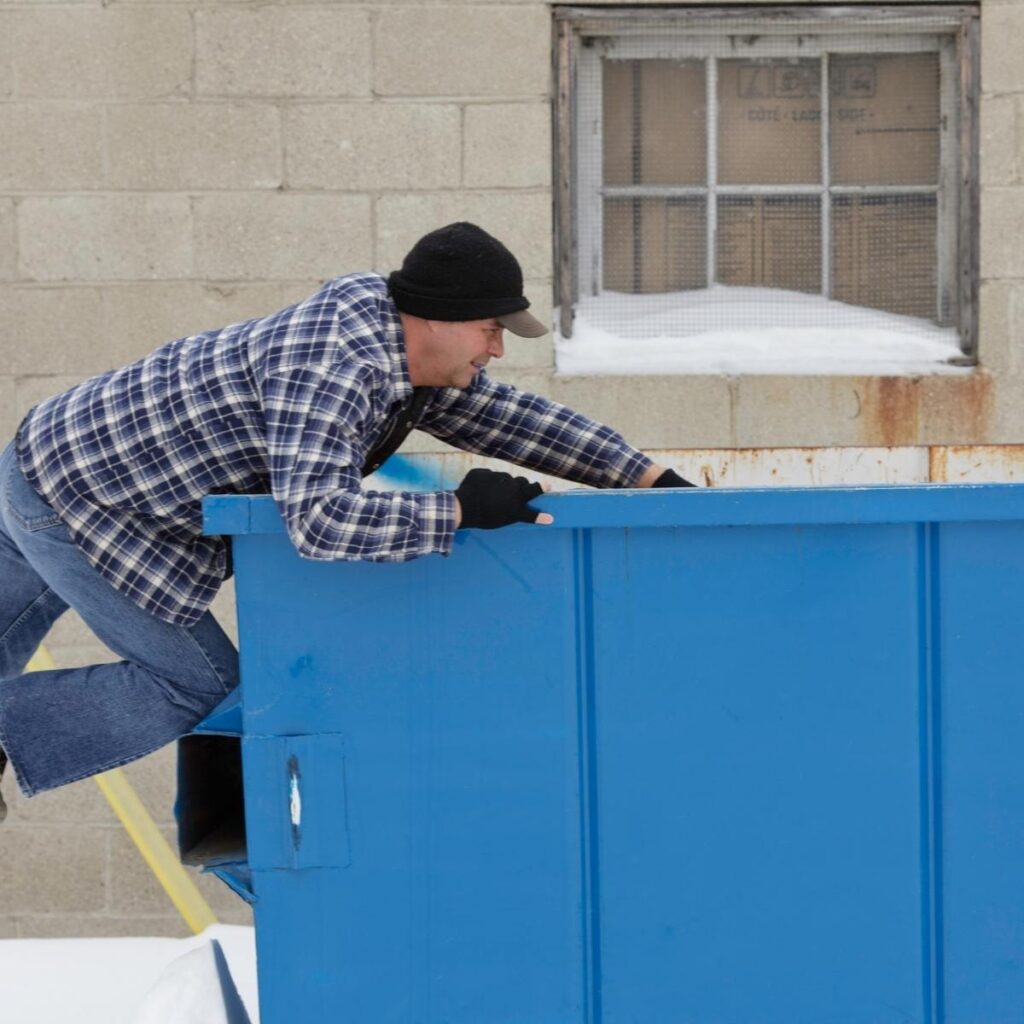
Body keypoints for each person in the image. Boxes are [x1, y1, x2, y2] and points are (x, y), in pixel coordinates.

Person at [0, 221, 692, 815]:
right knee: (198, 683)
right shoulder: (335, 363)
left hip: (57, 452)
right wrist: (457, 511)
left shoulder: (401, 359)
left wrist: (648, 476)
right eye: (490, 330)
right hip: (74, 496)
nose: (496, 351)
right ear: (437, 317)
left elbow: (516, 420)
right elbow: (320, 521)